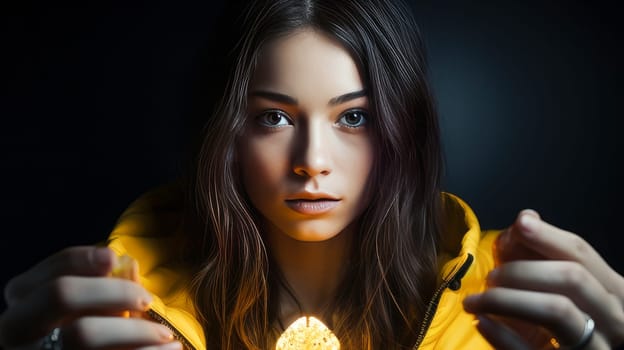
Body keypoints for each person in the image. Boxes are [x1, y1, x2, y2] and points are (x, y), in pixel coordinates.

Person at [1, 0, 623, 349]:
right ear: (227, 133)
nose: (313, 160)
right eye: (273, 116)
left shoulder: (518, 308)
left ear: (405, 127)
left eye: (354, 116)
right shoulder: (115, 319)